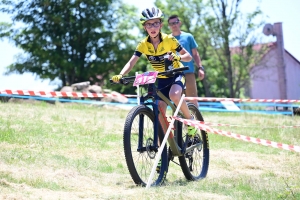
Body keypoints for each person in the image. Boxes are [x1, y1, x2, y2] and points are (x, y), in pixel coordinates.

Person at [111, 7, 197, 137]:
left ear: (161, 25)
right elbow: (131, 62)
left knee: (174, 95)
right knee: (159, 109)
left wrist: (178, 57)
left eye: (156, 23)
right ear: (144, 27)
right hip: (162, 78)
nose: (153, 27)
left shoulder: (169, 39)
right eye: (149, 24)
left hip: (176, 74)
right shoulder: (143, 45)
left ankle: (190, 121)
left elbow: (189, 57)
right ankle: (166, 142)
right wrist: (120, 75)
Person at [168, 15, 205, 107]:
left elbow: (195, 54)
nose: (174, 25)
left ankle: (196, 120)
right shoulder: (167, 39)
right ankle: (179, 121)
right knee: (176, 101)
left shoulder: (188, 36)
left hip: (188, 72)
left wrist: (200, 68)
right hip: (174, 74)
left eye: (176, 22)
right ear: (169, 25)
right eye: (171, 23)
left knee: (192, 99)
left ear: (179, 23)